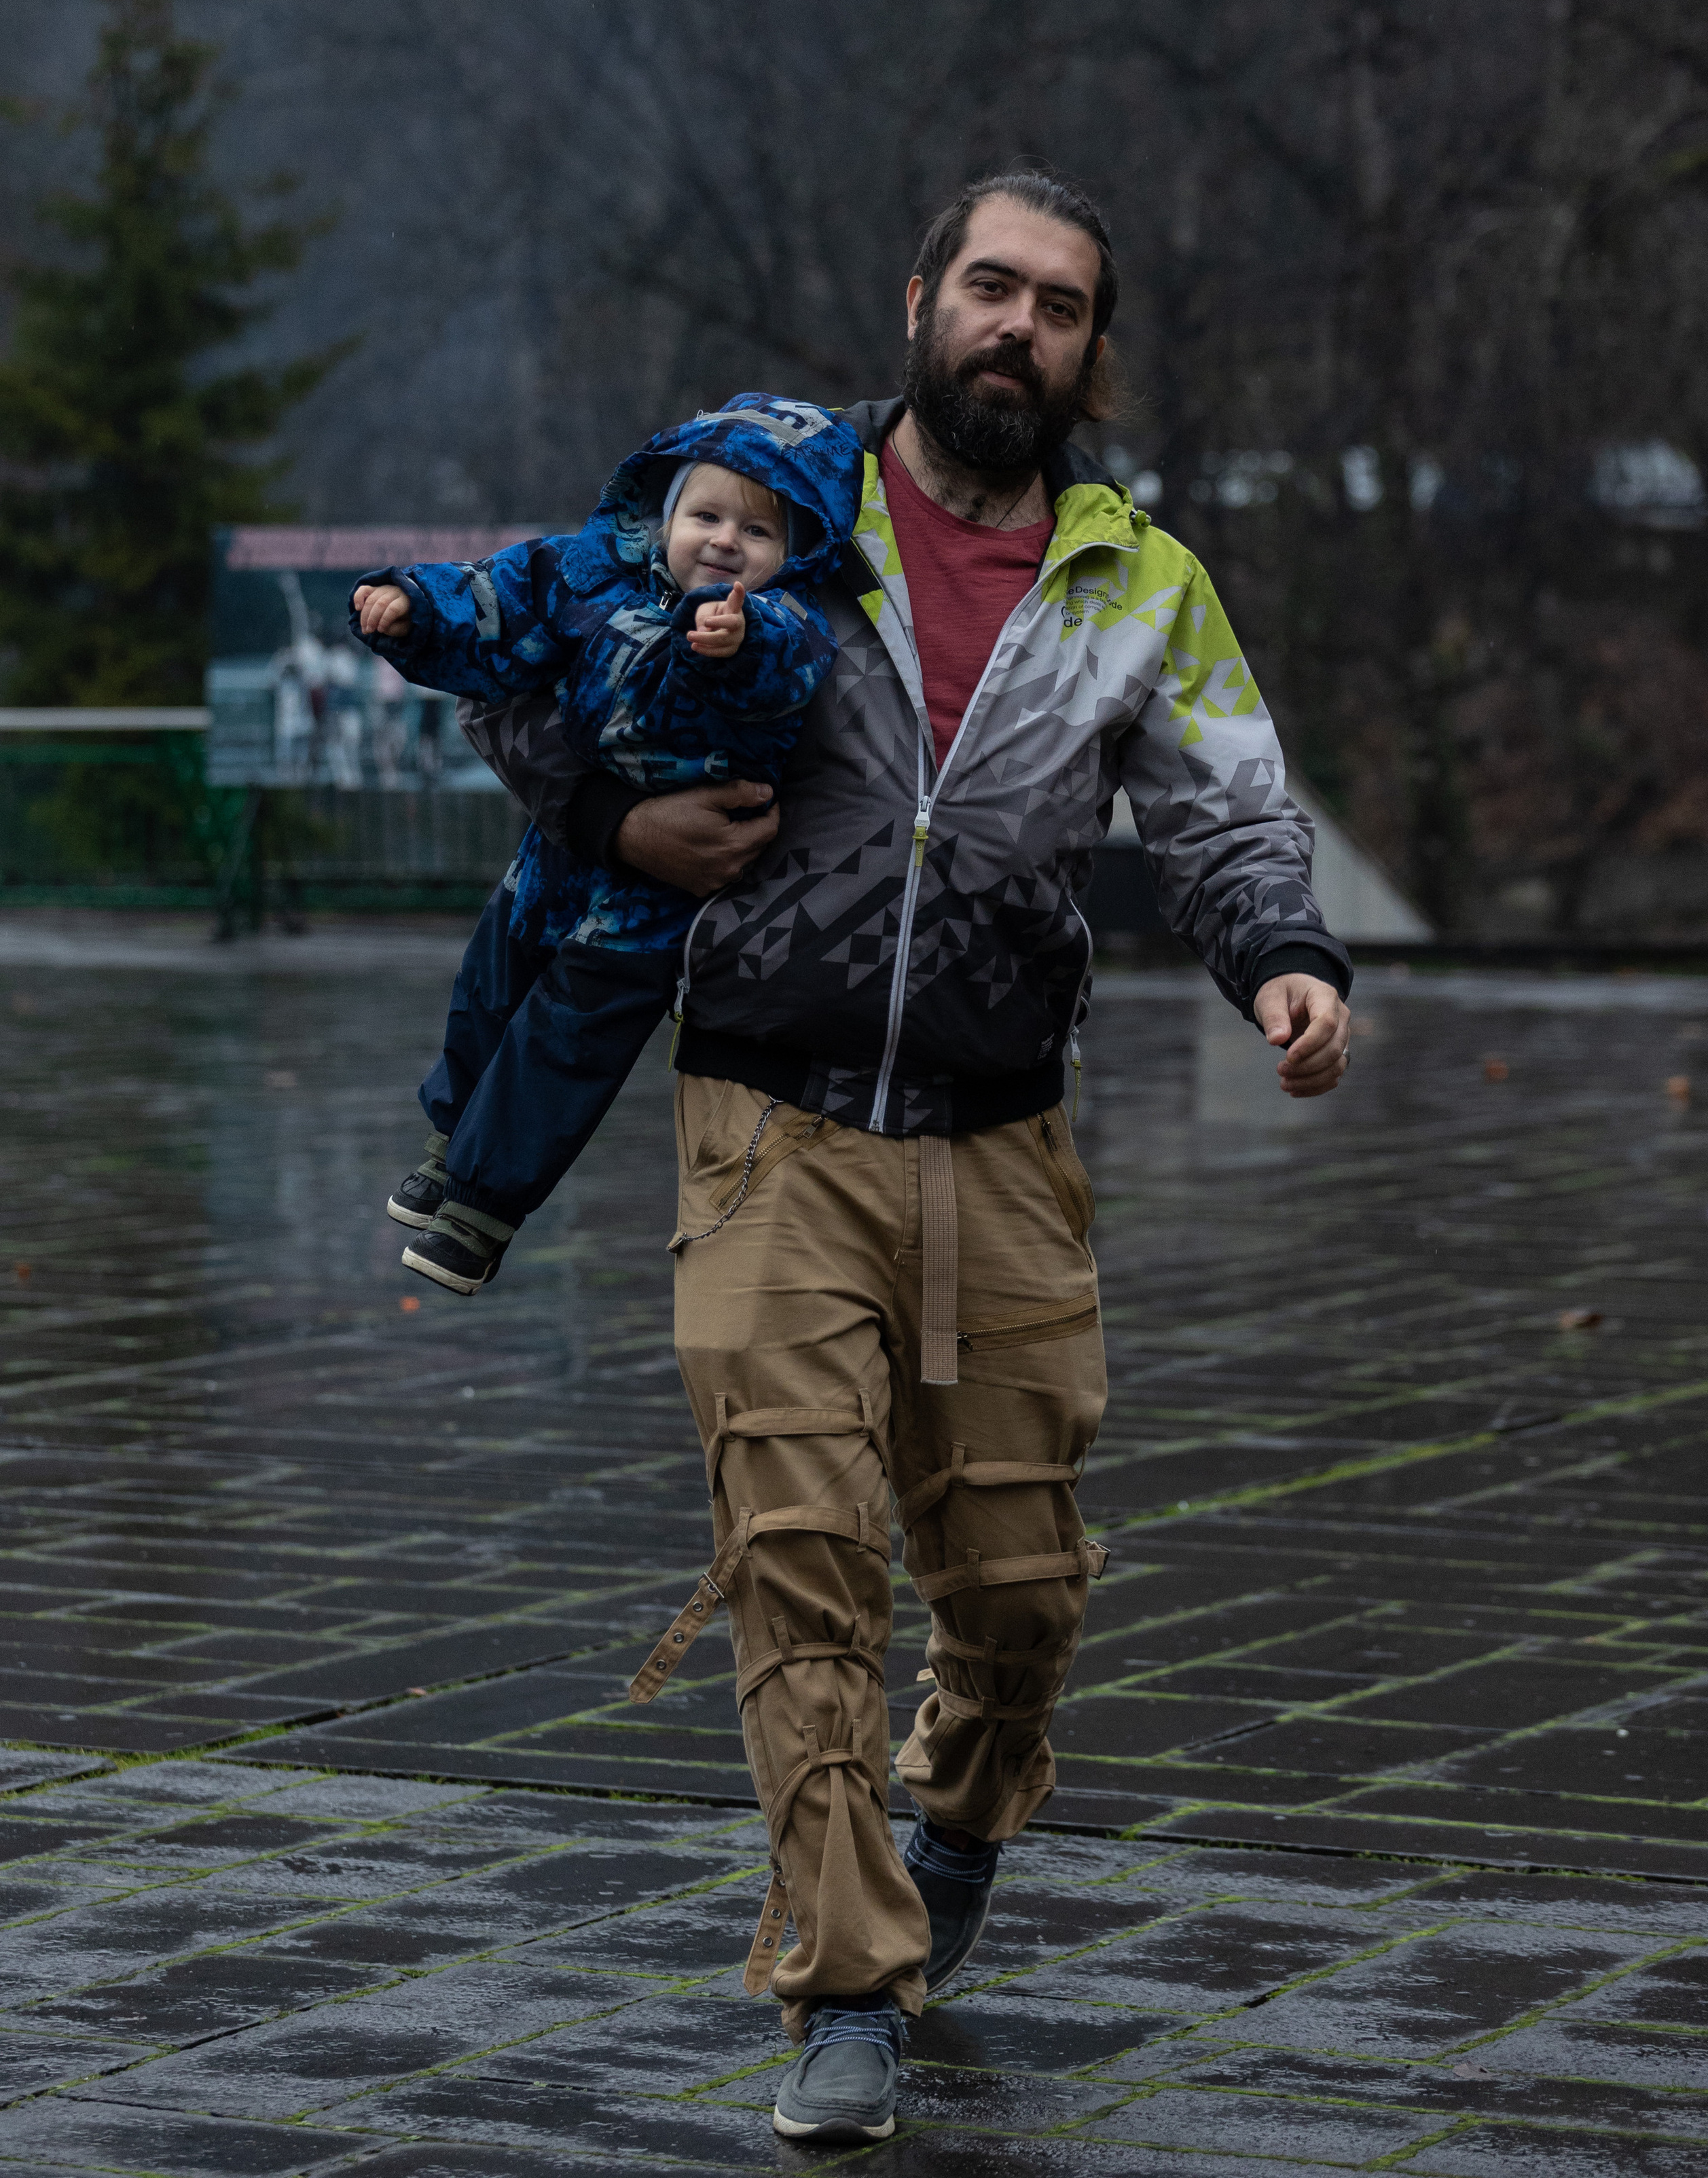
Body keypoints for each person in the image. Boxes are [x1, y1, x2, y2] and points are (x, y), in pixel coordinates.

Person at [477, 172, 1353, 2146]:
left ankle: (957, 1827)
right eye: (989, 285)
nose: (1016, 327)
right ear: (919, 302)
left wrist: (1287, 963)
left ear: (1086, 351)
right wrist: (617, 837)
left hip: (1003, 1142)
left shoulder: (1140, 581)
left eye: (1058, 304)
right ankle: (846, 1983)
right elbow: (543, 682)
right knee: (799, 1566)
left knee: (1022, 1590)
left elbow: (1228, 814)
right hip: (772, 1122)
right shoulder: (773, 512)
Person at [346, 398, 862, 1293]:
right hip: (564, 843)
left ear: (802, 549)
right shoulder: (594, 574)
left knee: (569, 1035)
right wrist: (414, 605)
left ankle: (484, 1205)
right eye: (705, 516)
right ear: (663, 513)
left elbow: (786, 659)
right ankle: (450, 1133)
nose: (726, 542)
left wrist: (733, 641)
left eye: (759, 530)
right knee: (491, 982)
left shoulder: (784, 623)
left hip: (662, 891)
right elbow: (503, 597)